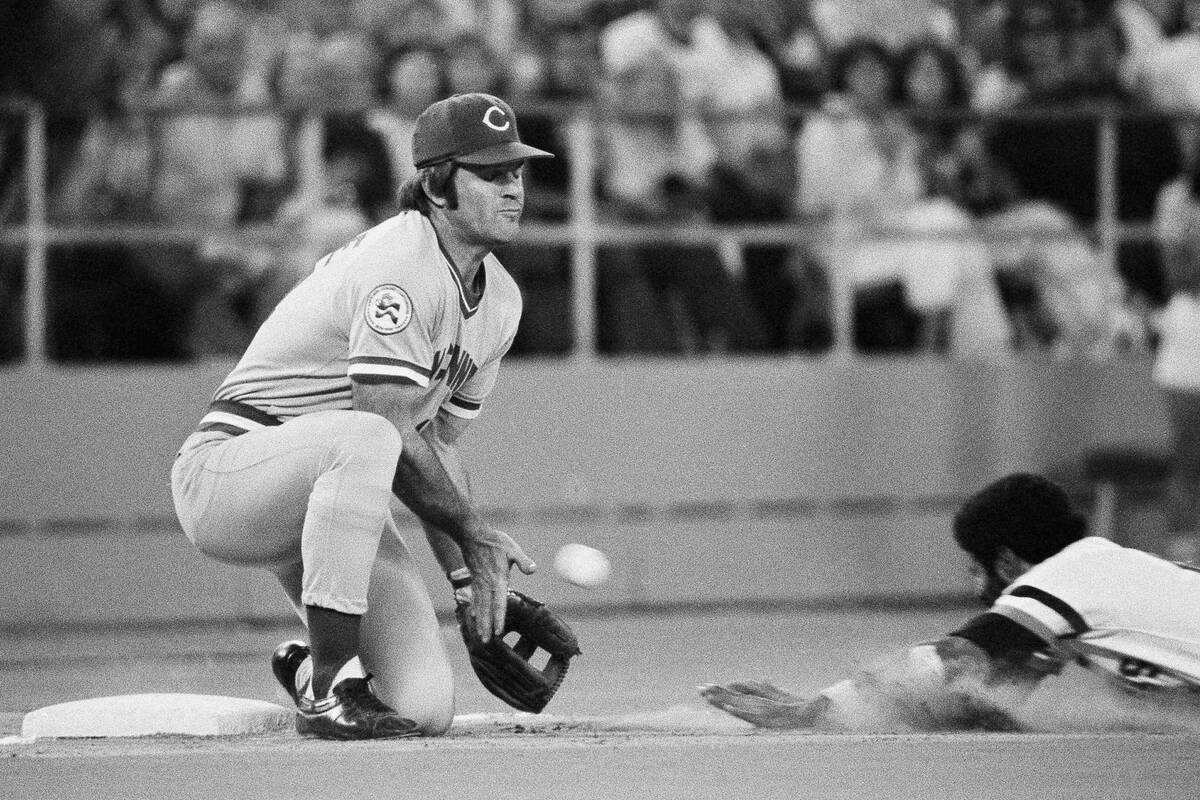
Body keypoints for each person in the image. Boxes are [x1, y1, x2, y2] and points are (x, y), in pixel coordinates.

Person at [170, 93, 553, 740]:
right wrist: (476, 531)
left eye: (515, 171)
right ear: (436, 185)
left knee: (423, 707)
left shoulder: (502, 303)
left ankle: (307, 666)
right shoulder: (400, 262)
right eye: (490, 175)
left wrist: (467, 579)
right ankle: (329, 685)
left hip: (335, 500)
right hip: (232, 475)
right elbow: (386, 424)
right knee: (372, 435)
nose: (511, 187)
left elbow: (437, 445)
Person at [701, 472, 1200, 732]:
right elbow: (981, 694)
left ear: (1006, 565)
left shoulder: (1058, 580)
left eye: (975, 564)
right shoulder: (1097, 578)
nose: (972, 579)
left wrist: (820, 709)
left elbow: (952, 659)